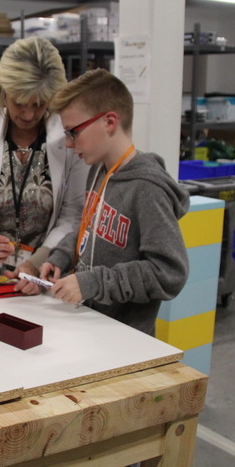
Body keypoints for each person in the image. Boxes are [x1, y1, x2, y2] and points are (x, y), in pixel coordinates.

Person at [39, 69, 190, 336]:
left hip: (125, 338)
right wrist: (62, 255)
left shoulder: (147, 188)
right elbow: (89, 229)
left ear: (109, 122)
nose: (69, 144)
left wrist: (92, 282)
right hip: (89, 325)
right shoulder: (98, 171)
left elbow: (169, 272)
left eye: (74, 132)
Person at [0, 37, 89, 292]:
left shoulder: (68, 135)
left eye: (39, 104)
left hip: (47, 274)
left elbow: (73, 214)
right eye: (19, 102)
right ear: (3, 91)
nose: (29, 114)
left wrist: (38, 262)